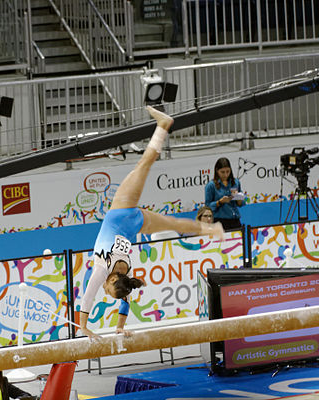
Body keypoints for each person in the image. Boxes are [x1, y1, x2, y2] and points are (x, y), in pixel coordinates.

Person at [79, 106, 225, 340]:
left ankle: (211, 228)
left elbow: (124, 299)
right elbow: (88, 297)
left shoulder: (125, 275)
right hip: (123, 212)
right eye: (108, 290)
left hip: (135, 224)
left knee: (175, 224)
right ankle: (163, 126)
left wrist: (119, 326)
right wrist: (84, 327)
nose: (103, 291)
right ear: (114, 280)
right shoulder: (103, 270)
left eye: (106, 291)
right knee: (143, 166)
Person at [205, 157, 243, 230]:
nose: (225, 175)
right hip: (219, 221)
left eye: (228, 171)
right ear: (217, 171)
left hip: (235, 220)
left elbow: (241, 203)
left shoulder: (236, 182)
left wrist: (238, 198)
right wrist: (219, 202)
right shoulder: (211, 186)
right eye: (222, 172)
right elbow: (207, 206)